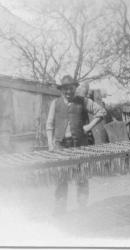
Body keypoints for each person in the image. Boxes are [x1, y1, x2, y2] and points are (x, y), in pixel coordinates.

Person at [46, 75, 106, 215]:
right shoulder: (55, 103)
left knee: (81, 177)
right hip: (60, 146)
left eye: (71, 89)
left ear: (75, 88)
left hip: (79, 145)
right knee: (61, 178)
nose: (68, 92)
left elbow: (101, 112)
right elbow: (49, 125)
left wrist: (88, 127)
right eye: (65, 89)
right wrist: (50, 144)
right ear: (62, 90)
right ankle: (60, 211)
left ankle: (82, 209)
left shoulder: (83, 101)